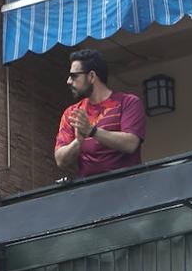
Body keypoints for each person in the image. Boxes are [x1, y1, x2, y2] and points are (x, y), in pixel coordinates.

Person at [54, 48, 147, 177]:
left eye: (74, 76)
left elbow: (131, 144)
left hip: (127, 188)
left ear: (91, 76)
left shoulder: (128, 102)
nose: (69, 81)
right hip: (89, 192)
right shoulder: (71, 113)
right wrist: (78, 142)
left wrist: (92, 131)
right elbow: (60, 160)